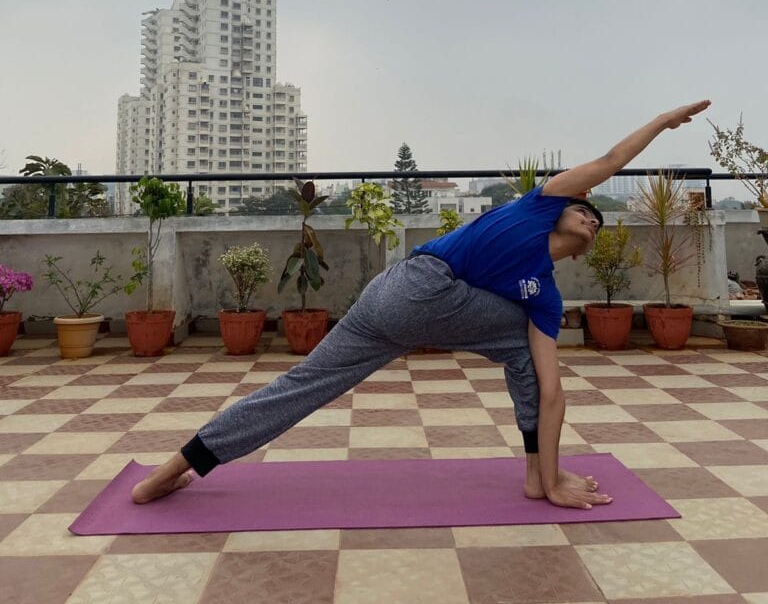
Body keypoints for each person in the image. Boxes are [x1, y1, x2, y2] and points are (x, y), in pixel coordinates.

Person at [132, 100, 710, 509]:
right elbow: (611, 160)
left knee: (527, 358)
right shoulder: (539, 203)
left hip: (403, 306)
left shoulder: (544, 294)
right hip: (412, 288)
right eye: (585, 208)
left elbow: (553, 389)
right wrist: (662, 122)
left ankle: (170, 472)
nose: (591, 216)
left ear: (587, 247)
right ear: (564, 206)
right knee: (303, 386)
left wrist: (557, 473)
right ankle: (178, 464)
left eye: (598, 221)